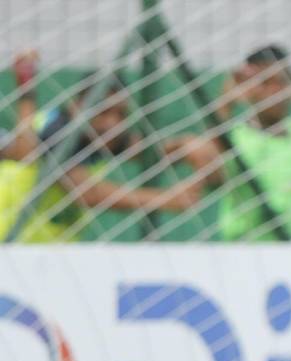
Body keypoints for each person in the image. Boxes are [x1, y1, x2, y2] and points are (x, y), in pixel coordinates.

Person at [1, 52, 202, 242]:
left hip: (45, 255)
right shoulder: (57, 129)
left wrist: (186, 146)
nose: (111, 123)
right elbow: (88, 193)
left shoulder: (101, 138)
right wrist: (166, 199)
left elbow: (149, 151)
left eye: (120, 114)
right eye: (103, 111)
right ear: (77, 106)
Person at [176, 44, 291, 241]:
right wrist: (226, 101)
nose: (275, 91)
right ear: (247, 87)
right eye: (265, 82)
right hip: (248, 252)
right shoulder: (235, 137)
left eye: (282, 81)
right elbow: (210, 174)